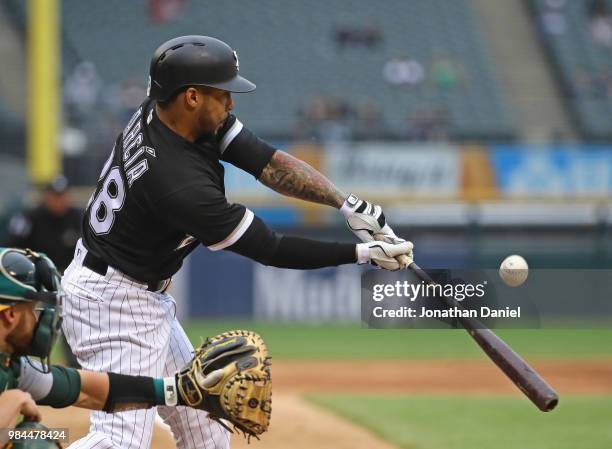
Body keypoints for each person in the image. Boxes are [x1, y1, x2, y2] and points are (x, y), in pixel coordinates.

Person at [61, 35, 414, 449]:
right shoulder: (180, 185)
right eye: (223, 94)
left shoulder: (168, 111)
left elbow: (265, 161)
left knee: (207, 427)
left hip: (133, 292)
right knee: (120, 441)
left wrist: (344, 203)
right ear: (192, 96)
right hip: (114, 302)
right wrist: (361, 254)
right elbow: (272, 248)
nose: (231, 103)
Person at [0, 247, 236, 447]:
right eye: (32, 309)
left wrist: (173, 391)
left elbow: (83, 389)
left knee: (34, 438)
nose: (40, 318)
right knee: (32, 442)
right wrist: (15, 401)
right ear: (10, 315)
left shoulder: (12, 364)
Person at [7, 175, 82, 368]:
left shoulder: (78, 217)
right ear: (46, 196)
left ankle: (74, 365)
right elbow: (12, 250)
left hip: (71, 282)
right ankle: (24, 362)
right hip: (37, 283)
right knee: (31, 322)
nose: (58, 200)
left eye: (62, 195)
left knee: (72, 323)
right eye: (54, 195)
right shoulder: (31, 218)